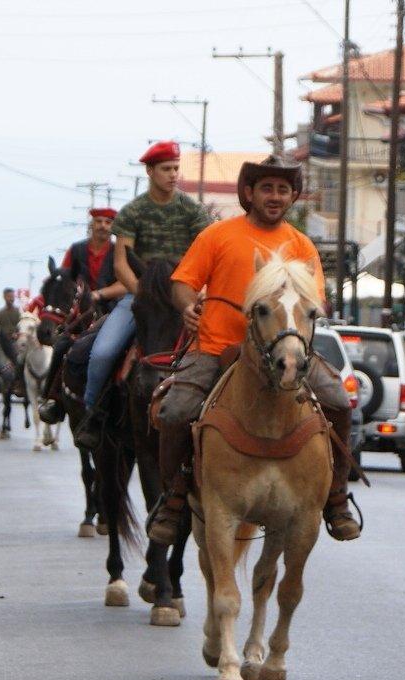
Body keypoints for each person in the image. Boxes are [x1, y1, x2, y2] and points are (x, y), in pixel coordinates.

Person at [145, 155, 362, 546]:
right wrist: (187, 305)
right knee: (175, 410)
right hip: (215, 346)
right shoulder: (217, 235)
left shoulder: (301, 246)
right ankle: (173, 497)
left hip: (285, 350)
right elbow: (184, 282)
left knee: (338, 400)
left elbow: (314, 302)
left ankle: (336, 498)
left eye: (282, 189)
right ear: (249, 193)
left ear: (292, 196)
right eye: (267, 188)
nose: (275, 196)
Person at [73, 140, 212, 449]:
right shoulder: (133, 212)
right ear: (150, 171)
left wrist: (193, 296)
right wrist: (146, 295)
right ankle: (93, 413)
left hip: (185, 299)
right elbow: (121, 261)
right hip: (141, 298)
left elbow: (206, 254)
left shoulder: (193, 211)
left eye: (176, 168)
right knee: (103, 352)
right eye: (166, 169)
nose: (173, 175)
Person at [37, 207, 121, 422]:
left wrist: (98, 294)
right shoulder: (76, 250)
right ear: (91, 224)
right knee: (62, 345)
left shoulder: (118, 251)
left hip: (110, 309)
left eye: (107, 222)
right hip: (79, 312)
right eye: (99, 221)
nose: (103, 226)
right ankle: (52, 398)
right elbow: (64, 277)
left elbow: (126, 284)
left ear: (112, 227)